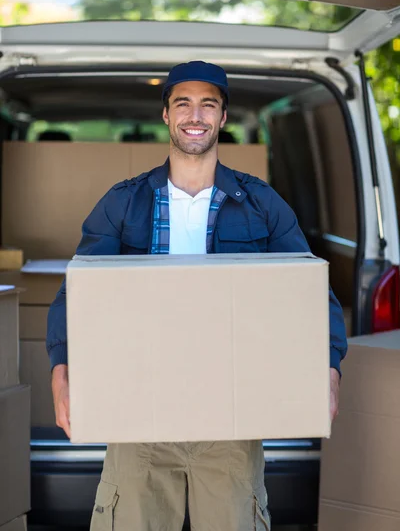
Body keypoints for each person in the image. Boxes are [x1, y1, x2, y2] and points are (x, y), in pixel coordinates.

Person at [47, 60, 347, 531]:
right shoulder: (123, 202)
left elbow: (309, 291)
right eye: (182, 103)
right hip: (137, 410)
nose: (195, 115)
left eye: (208, 105)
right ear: (165, 114)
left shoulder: (262, 205)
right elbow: (78, 290)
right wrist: (61, 371)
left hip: (230, 416)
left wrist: (328, 367)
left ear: (223, 118)